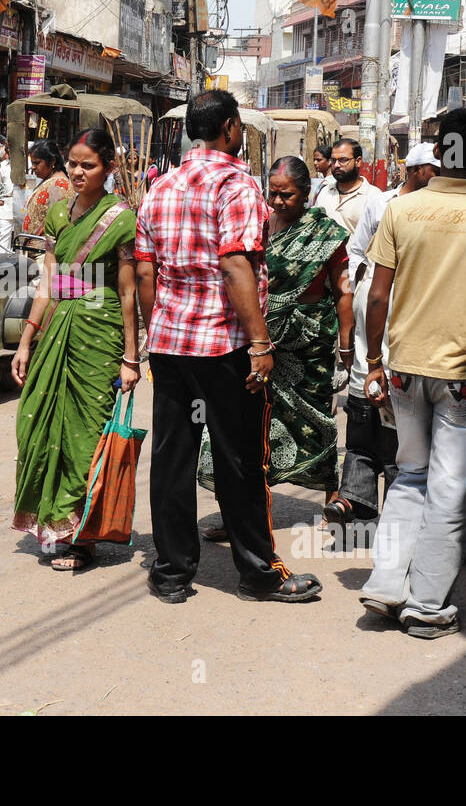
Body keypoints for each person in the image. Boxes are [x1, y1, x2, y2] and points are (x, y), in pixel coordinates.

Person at [136, 89, 322, 605]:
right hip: (223, 346)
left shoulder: (160, 187)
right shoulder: (236, 184)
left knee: (172, 459)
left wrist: (160, 327)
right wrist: (260, 341)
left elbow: (148, 272)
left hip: (172, 346)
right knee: (240, 459)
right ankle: (258, 573)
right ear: (232, 129)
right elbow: (237, 264)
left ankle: (172, 572)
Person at [359, 107, 466, 638]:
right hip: (465, 376)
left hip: (405, 369)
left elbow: (378, 293)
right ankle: (427, 605)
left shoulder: (403, 210)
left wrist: (372, 362)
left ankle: (387, 585)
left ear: (439, 149)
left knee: (410, 476)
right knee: (453, 488)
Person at [198, 155, 354, 533]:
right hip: (259, 343)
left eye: (288, 195)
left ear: (306, 193)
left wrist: (347, 344)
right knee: (247, 425)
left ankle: (333, 498)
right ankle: (239, 510)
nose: (279, 201)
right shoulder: (258, 228)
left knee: (315, 420)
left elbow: (343, 290)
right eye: (274, 194)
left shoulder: (325, 233)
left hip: (309, 346)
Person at [11, 129, 139, 570]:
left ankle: (83, 537)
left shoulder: (120, 217)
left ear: (108, 169)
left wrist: (131, 356)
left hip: (99, 336)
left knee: (86, 435)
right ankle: (54, 521)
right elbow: (49, 281)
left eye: (90, 165)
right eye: (74, 163)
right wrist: (26, 339)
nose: (79, 171)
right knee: (40, 429)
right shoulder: (58, 214)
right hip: (57, 329)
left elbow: (126, 294)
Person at [326, 141, 439, 525]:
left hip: (401, 317)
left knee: (392, 419)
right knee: (366, 411)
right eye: (433, 170)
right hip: (376, 307)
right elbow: (356, 253)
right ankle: (356, 499)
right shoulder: (384, 203)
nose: (438, 177)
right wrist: (362, 290)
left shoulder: (434, 207)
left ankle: (384, 506)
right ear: (416, 170)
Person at [312, 137, 379, 234]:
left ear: (358, 161)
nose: (336, 165)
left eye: (343, 160)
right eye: (333, 160)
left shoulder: (373, 196)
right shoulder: (324, 192)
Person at [21, 140, 74, 237]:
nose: (32, 167)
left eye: (37, 163)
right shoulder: (49, 180)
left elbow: (62, 226)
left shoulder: (60, 185)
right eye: (32, 163)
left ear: (52, 161)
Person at [0, 138, 17, 251]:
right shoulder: (2, 166)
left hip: (23, 203)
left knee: (21, 235)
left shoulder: (29, 163)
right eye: (7, 149)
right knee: (3, 234)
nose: (8, 151)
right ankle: (0, 262)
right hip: (6, 203)